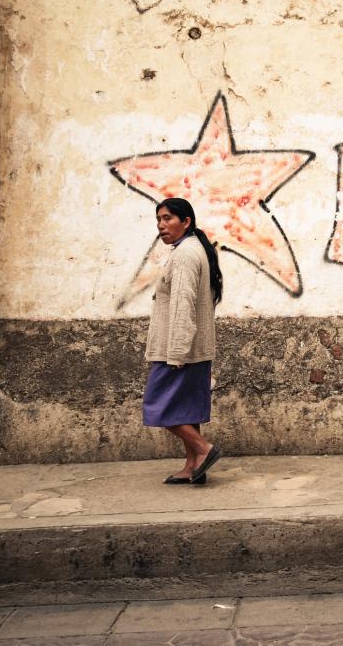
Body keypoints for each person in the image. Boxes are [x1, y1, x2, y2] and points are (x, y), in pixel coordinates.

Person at [143, 197, 223, 485]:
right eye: (159, 220)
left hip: (178, 349)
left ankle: (204, 449)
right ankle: (192, 466)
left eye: (167, 219)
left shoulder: (186, 254)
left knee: (158, 405)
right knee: (188, 410)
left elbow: (183, 304)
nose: (161, 225)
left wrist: (176, 353)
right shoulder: (191, 249)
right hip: (194, 348)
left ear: (186, 222)